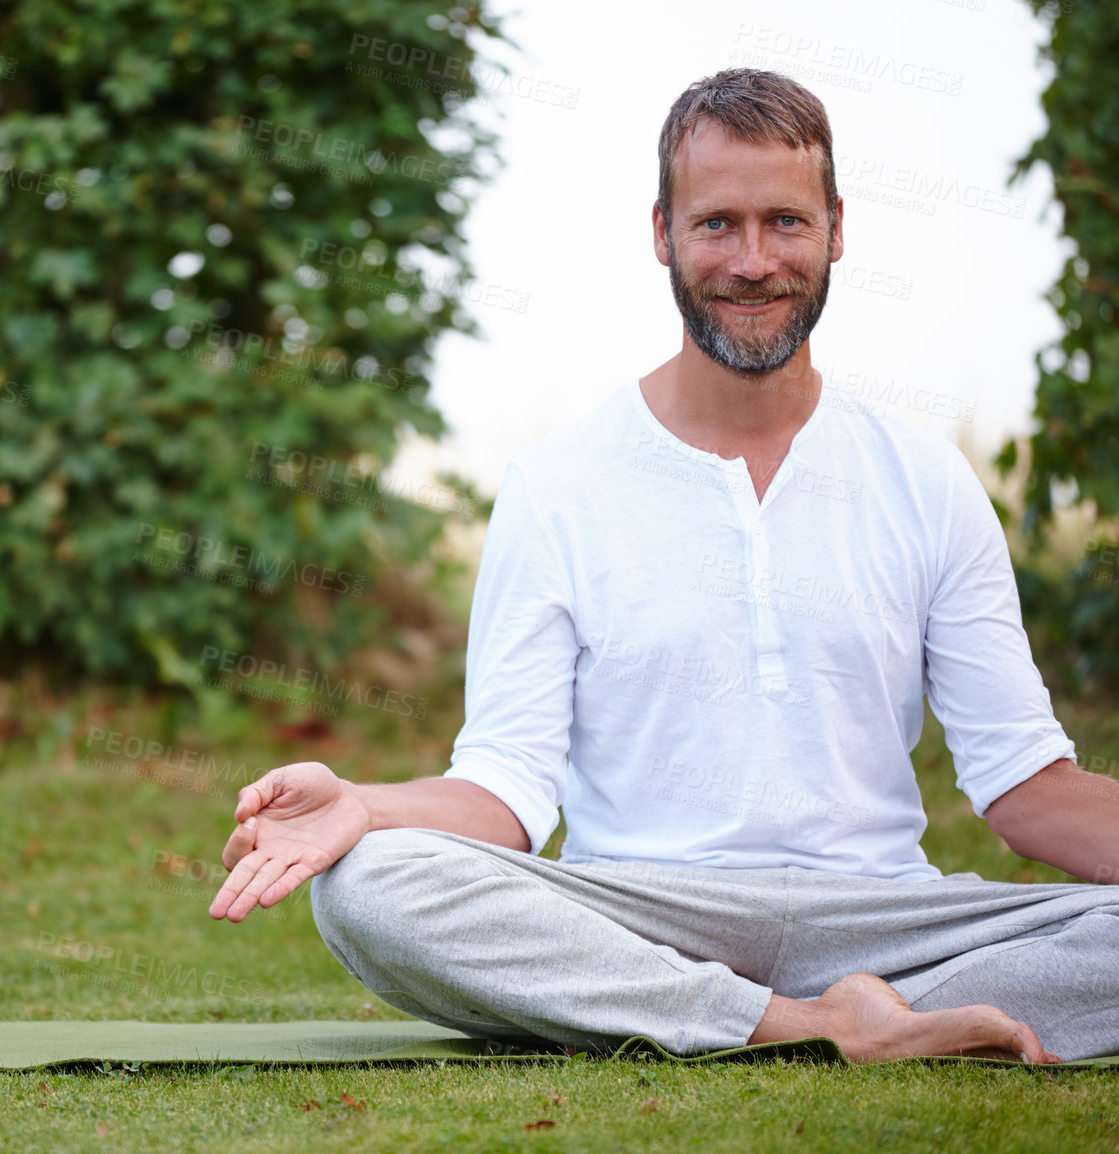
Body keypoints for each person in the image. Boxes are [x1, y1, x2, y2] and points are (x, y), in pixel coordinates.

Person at [208, 68, 1119, 1064]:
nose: (753, 260)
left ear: (837, 229)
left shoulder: (927, 484)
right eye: (716, 224)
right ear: (662, 233)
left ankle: (842, 1012)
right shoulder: (556, 483)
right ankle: (809, 1026)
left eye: (785, 222)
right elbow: (506, 788)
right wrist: (364, 805)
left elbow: (1027, 789)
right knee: (370, 884)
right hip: (644, 915)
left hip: (888, 922)